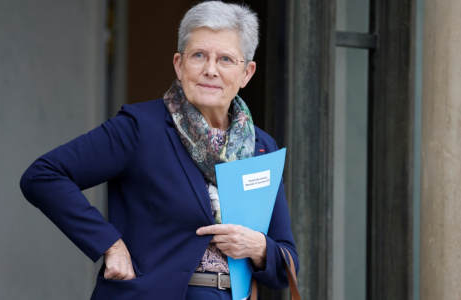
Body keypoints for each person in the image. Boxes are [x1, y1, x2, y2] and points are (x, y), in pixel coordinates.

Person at [20, 1, 299, 299]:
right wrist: (109, 244)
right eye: (199, 55)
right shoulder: (141, 127)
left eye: (226, 59)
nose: (210, 70)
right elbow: (43, 175)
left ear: (246, 73)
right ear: (179, 64)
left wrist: (258, 246)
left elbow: (287, 265)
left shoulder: (261, 147)